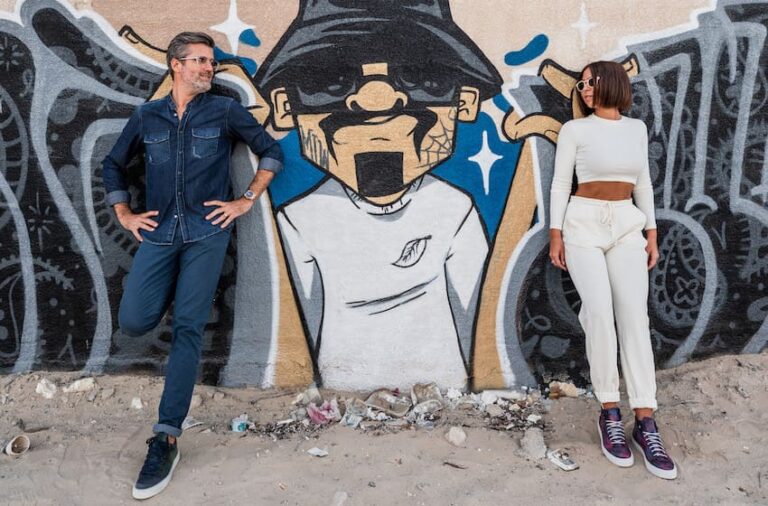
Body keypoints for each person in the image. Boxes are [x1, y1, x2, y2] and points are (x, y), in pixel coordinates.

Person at [255, 0, 502, 390]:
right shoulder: (301, 219)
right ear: (284, 108)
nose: (378, 100)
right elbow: (291, 323)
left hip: (443, 381)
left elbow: (484, 315)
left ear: (466, 101)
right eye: (331, 81)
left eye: (422, 78)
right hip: (340, 381)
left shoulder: (453, 208)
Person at [102, 32, 283, 499]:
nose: (208, 68)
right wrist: (124, 213)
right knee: (134, 319)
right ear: (176, 65)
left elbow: (272, 152)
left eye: (211, 62)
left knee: (188, 327)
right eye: (199, 60)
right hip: (160, 233)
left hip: (207, 234)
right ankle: (173, 293)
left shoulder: (224, 111)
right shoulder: (147, 116)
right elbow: (113, 165)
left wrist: (245, 200)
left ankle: (166, 437)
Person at [548, 60, 677, 479]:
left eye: (591, 81)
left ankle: (645, 421)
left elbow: (643, 183)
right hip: (582, 224)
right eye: (581, 84)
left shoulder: (635, 129)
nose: (584, 88)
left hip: (626, 225)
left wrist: (651, 232)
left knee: (635, 318)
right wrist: (555, 233)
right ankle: (609, 413)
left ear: (612, 83)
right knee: (599, 314)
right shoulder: (575, 130)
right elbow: (560, 183)